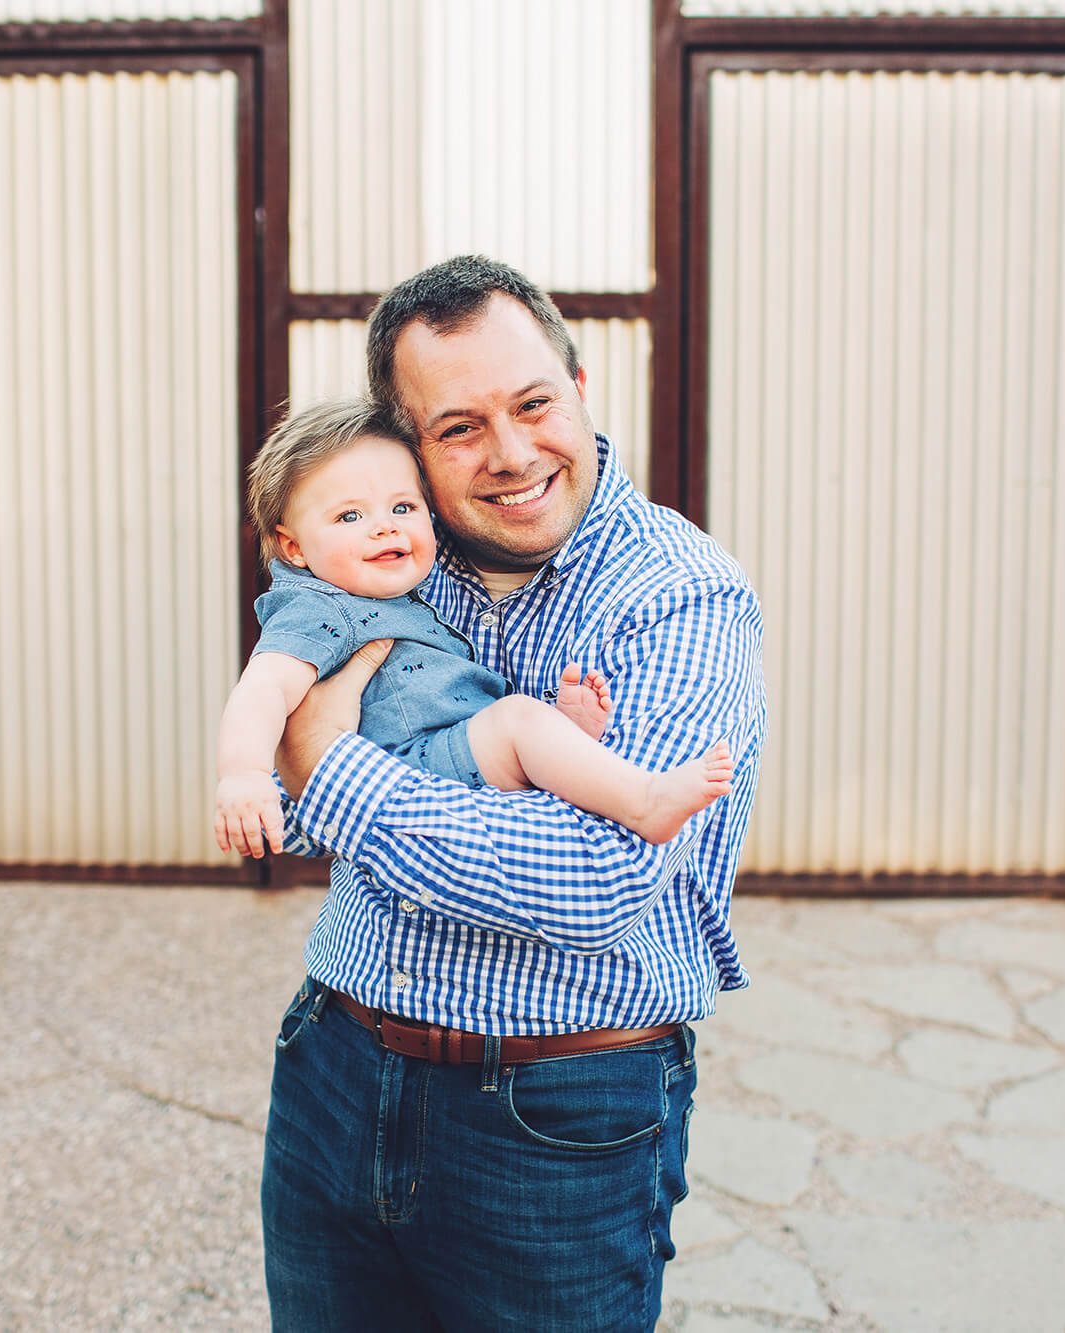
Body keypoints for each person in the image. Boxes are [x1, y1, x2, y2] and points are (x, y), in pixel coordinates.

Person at [259, 255, 767, 1331]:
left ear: (580, 388)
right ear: (407, 444)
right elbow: (269, 767)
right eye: (457, 428)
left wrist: (339, 770)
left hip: (557, 1119)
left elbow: (593, 880)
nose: (510, 453)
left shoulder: (679, 595)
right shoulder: (386, 551)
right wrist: (311, 766)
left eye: (533, 404)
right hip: (334, 1069)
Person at [215, 397, 734, 859]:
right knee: (516, 721)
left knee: (523, 722)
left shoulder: (399, 590)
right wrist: (245, 774)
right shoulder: (316, 607)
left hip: (432, 756)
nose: (385, 526)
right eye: (349, 516)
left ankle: (562, 751)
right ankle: (643, 802)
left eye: (403, 507)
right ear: (294, 547)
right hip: (411, 761)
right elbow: (261, 689)